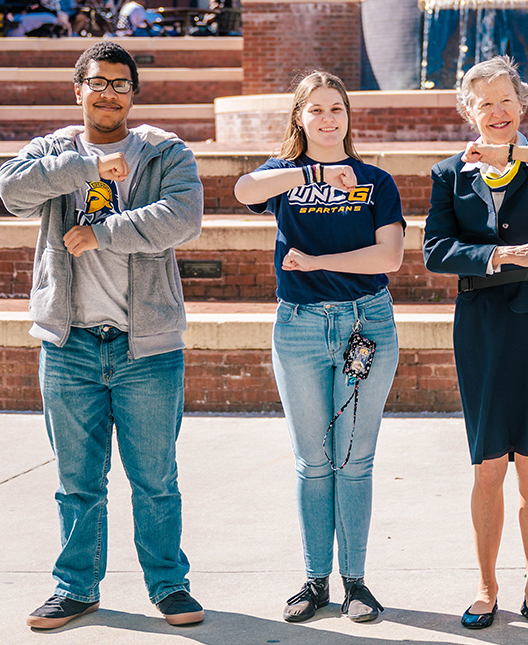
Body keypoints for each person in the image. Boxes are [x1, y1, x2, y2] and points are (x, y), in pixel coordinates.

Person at [0, 41, 205, 630]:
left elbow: (184, 218)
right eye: (98, 81)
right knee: (76, 482)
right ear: (78, 88)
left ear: (132, 94)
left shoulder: (165, 151)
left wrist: (104, 233)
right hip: (70, 343)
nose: (109, 92)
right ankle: (76, 588)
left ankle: (169, 586)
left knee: (156, 480)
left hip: (147, 346)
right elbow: (10, 191)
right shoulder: (54, 151)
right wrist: (87, 167)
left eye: (120, 83)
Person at [423, 55, 528, 635]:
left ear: (522, 105)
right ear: (467, 111)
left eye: (505, 100)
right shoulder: (448, 173)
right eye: (483, 103)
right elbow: (435, 251)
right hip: (482, 325)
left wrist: (522, 154)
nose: (496, 112)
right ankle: (485, 586)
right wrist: (498, 256)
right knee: (489, 464)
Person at [233, 71, 404, 624]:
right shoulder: (283, 176)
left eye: (337, 109)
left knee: (354, 462)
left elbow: (390, 259)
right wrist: (304, 172)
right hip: (300, 329)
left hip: (365, 326)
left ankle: (356, 581)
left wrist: (319, 262)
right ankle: (315, 581)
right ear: (299, 118)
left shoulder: (375, 181)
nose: (328, 119)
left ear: (349, 117)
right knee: (313, 462)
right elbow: (243, 191)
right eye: (316, 110)